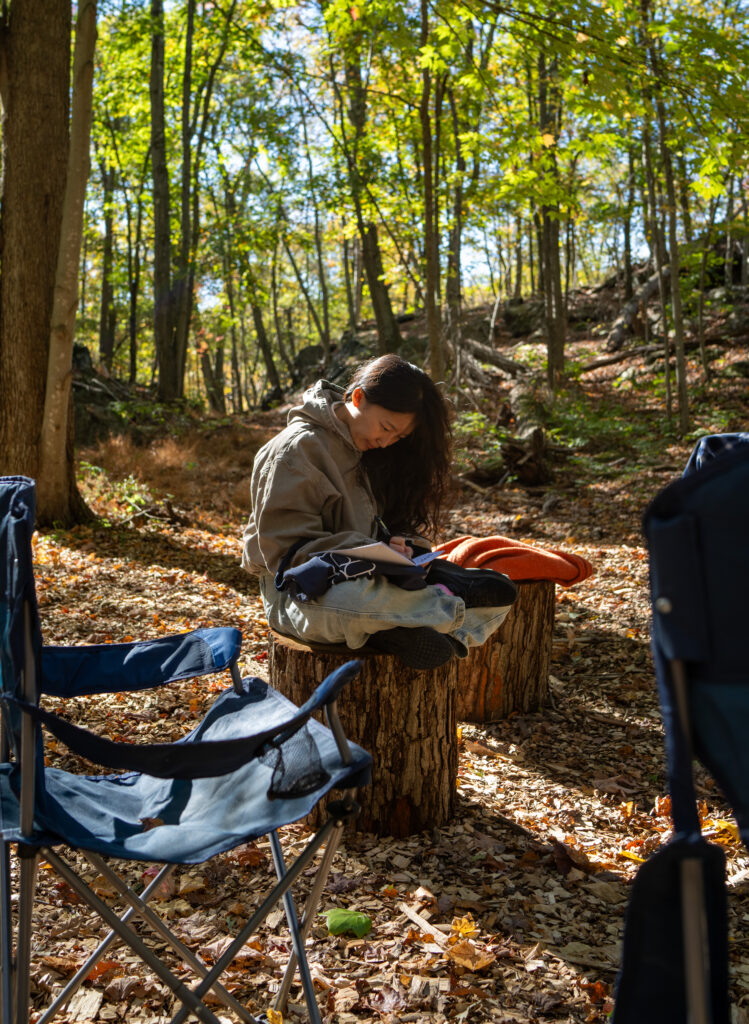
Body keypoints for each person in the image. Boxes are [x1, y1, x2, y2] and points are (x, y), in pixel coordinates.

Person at [242, 353, 517, 670]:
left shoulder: (367, 447)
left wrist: (396, 549)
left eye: (398, 436)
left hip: (371, 580)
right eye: (386, 427)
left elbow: (381, 528)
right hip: (298, 596)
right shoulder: (297, 450)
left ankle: (396, 628)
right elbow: (287, 555)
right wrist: (366, 552)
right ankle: (448, 612)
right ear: (357, 396)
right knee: (353, 603)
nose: (386, 442)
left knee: (502, 596)